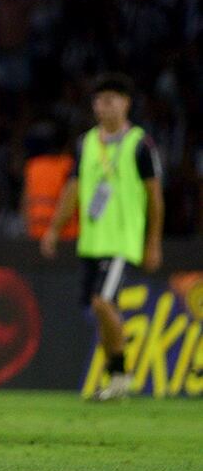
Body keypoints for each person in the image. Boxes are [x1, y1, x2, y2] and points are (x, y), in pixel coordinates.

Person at [41, 73, 163, 401]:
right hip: (92, 241)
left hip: (122, 241)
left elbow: (154, 196)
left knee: (102, 302)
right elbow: (73, 188)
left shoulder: (140, 143)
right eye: (99, 100)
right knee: (96, 308)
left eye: (112, 99)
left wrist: (152, 242)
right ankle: (117, 376)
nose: (104, 106)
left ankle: (121, 374)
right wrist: (54, 229)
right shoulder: (87, 143)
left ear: (127, 103)